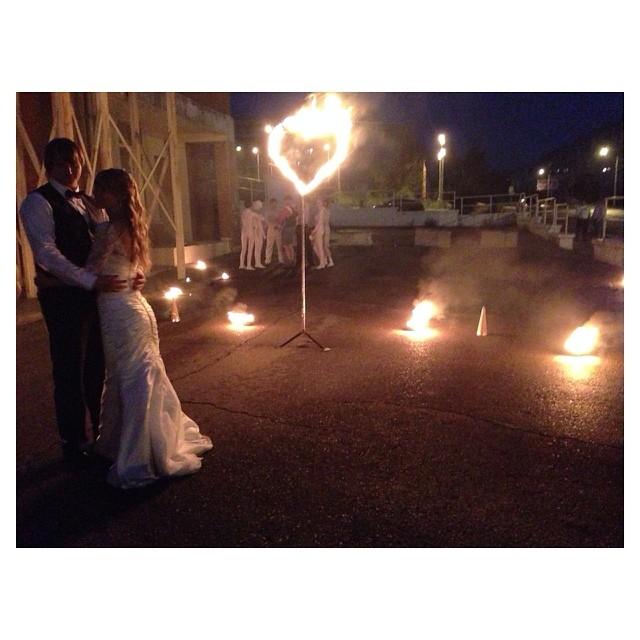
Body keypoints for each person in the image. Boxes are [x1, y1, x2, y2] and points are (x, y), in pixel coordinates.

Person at [87, 169, 212, 489]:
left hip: (118, 309)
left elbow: (91, 270)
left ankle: (137, 452)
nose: (96, 195)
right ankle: (143, 440)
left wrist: (54, 276)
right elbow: (139, 270)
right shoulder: (134, 226)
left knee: (129, 377)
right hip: (137, 306)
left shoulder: (107, 230)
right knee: (141, 373)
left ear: (114, 195)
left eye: (101, 190)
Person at [18, 138, 136, 466]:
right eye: (60, 164)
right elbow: (46, 252)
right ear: (48, 166)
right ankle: (73, 441)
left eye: (74, 163)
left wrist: (130, 271)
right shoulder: (37, 202)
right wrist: (86, 279)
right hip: (63, 298)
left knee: (96, 366)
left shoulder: (88, 201)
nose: (69, 170)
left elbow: (110, 241)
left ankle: (98, 433)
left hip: (97, 295)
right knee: (69, 367)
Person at [239, 200, 259, 270]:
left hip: (243, 232)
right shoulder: (253, 214)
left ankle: (241, 264)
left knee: (243, 249)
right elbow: (259, 220)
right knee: (250, 249)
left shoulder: (243, 213)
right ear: (251, 206)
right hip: (250, 232)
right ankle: (248, 265)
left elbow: (242, 223)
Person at [264, 198, 284, 265]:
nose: (274, 205)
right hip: (271, 229)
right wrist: (272, 222)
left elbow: (281, 220)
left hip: (278, 230)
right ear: (270, 204)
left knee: (279, 246)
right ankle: (267, 260)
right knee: (269, 245)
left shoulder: (279, 211)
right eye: (273, 204)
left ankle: (281, 259)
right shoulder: (267, 212)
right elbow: (266, 220)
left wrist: (279, 226)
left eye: (275, 204)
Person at [310, 198, 328, 269]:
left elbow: (320, 223)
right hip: (318, 230)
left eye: (319, 202)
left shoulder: (322, 211)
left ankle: (322, 263)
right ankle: (323, 260)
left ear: (322, 203)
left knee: (319, 247)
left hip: (319, 230)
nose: (317, 204)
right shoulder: (320, 210)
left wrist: (314, 231)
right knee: (315, 247)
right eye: (317, 202)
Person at [279, 196, 297, 265]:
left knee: (288, 245)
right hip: (288, 228)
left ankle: (291, 259)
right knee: (287, 245)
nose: (287, 202)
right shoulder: (291, 209)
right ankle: (291, 259)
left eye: (288, 200)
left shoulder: (289, 209)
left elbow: (282, 219)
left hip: (288, 228)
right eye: (286, 200)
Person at [251, 200, 266, 268]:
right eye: (260, 206)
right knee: (258, 248)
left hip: (256, 232)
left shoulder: (256, 214)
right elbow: (259, 225)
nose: (260, 208)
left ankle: (258, 262)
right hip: (257, 233)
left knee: (258, 249)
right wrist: (263, 234)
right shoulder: (255, 215)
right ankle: (257, 263)